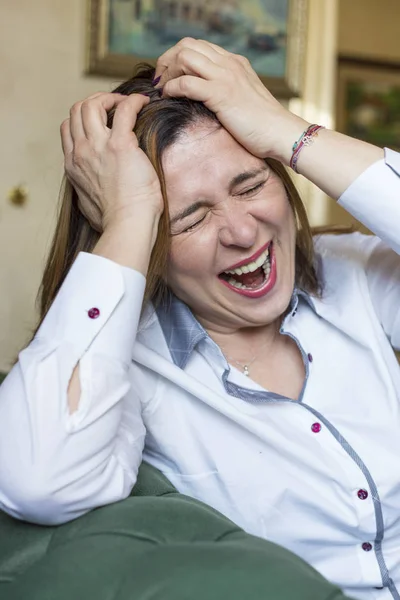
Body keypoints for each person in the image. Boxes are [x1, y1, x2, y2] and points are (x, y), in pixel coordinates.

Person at [0, 38, 399, 600]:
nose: (242, 231)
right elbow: (38, 480)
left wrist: (286, 130)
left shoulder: (357, 273)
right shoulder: (131, 365)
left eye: (252, 184)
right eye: (190, 219)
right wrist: (130, 217)